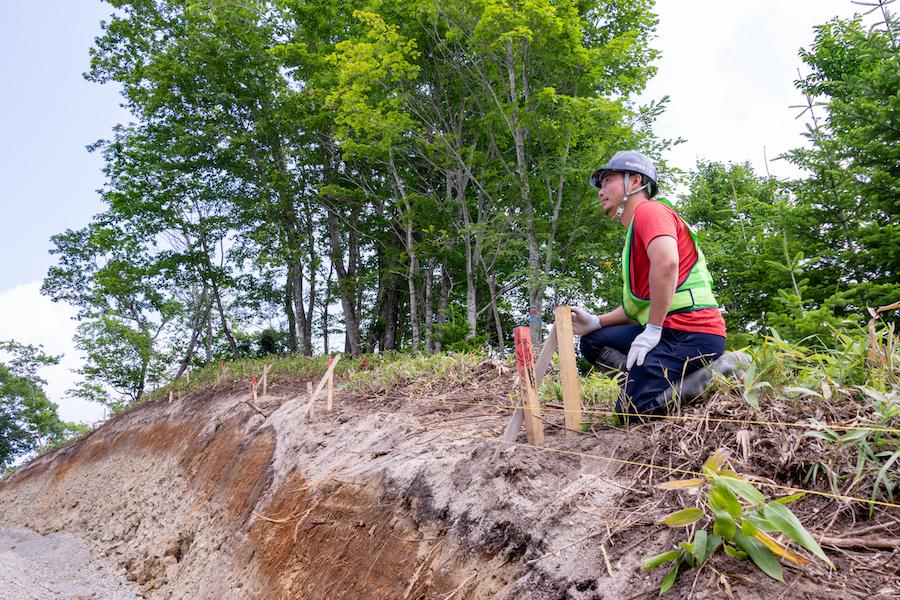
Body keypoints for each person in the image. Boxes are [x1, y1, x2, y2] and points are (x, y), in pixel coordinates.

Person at [572, 151, 727, 421]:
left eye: (607, 180)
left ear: (634, 182)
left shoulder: (649, 211)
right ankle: (649, 379)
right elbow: (638, 306)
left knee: (631, 411)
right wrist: (597, 322)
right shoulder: (637, 228)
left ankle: (721, 370)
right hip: (670, 330)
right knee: (593, 342)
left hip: (690, 332)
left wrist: (653, 328)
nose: (600, 191)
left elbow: (667, 264)